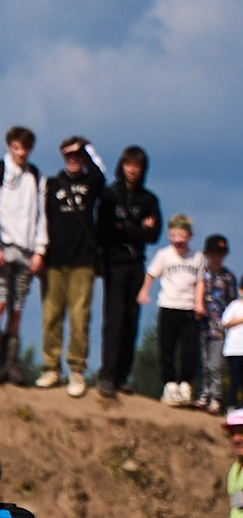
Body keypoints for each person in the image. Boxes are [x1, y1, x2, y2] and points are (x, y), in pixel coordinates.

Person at [37, 135, 106, 394]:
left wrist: (87, 149)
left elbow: (102, 176)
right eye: (69, 155)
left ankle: (76, 370)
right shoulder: (52, 183)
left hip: (83, 260)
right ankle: (50, 367)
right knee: (51, 315)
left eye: (77, 155)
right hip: (54, 259)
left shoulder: (92, 182)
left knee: (79, 316)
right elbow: (40, 219)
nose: (73, 160)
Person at [0, 127, 45, 385]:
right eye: (17, 147)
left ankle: (11, 361)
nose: (21, 152)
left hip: (26, 249)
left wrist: (40, 249)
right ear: (9, 146)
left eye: (25, 148)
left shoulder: (37, 176)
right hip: (1, 247)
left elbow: (41, 215)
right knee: (0, 301)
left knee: (18, 307)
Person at [97, 144, 163, 399]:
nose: (132, 170)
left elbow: (153, 234)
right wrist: (135, 228)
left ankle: (123, 376)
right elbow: (104, 231)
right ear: (122, 166)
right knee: (114, 321)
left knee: (131, 321)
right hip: (113, 264)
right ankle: (107, 375)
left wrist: (126, 227)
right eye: (128, 165)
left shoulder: (149, 199)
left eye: (137, 166)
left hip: (136, 264)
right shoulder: (110, 195)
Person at [142, 215, 205, 406]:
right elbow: (151, 273)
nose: (178, 239)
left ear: (190, 236)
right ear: (169, 235)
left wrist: (200, 303)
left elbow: (200, 282)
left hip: (189, 309)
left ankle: (185, 384)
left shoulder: (197, 257)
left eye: (182, 235)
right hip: (168, 306)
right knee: (166, 347)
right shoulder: (164, 255)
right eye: (174, 235)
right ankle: (170, 385)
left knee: (190, 349)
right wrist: (144, 291)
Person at [203, 234, 238, 413]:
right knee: (203, 363)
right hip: (201, 326)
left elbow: (232, 302)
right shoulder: (201, 274)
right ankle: (204, 394)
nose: (218, 257)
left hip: (219, 329)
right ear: (207, 253)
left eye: (221, 253)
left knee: (216, 364)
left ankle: (216, 397)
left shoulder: (229, 277)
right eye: (214, 253)